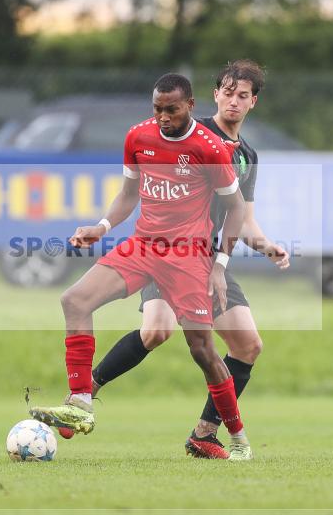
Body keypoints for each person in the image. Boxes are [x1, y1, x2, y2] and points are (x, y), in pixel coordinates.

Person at [59, 60, 290, 459]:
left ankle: (204, 433)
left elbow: (243, 219)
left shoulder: (246, 156)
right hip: (164, 250)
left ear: (254, 102)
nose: (233, 101)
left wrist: (265, 245)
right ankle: (83, 395)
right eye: (228, 92)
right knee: (156, 330)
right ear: (214, 94)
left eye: (243, 95)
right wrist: (103, 225)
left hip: (206, 256)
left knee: (248, 346)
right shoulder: (185, 130)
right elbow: (135, 188)